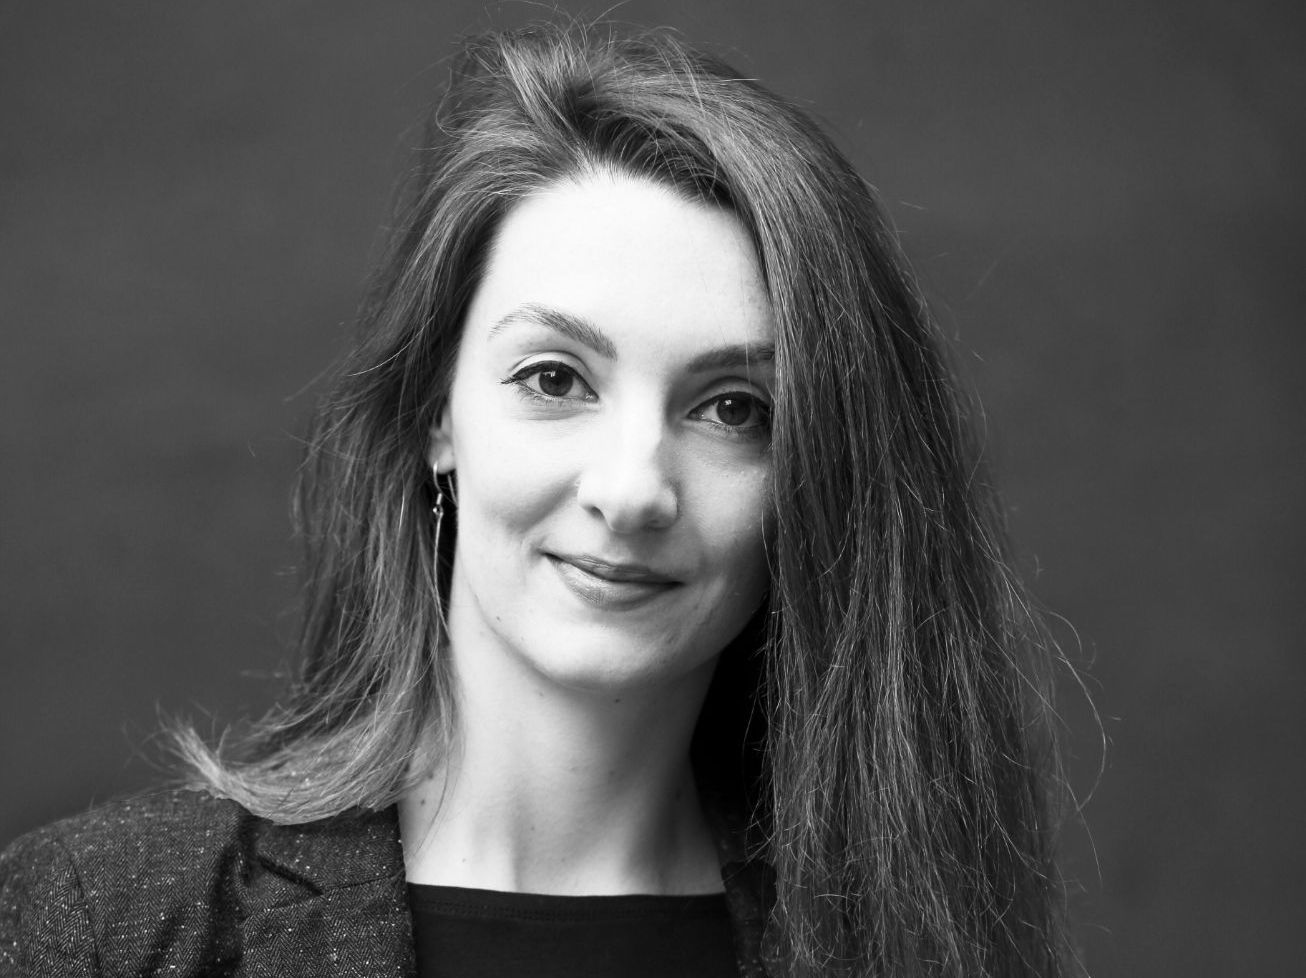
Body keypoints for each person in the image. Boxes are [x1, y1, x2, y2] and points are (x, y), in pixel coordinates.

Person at [0, 22, 1074, 978]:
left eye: (734, 409)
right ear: (437, 413)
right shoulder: (104, 926)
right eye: (555, 379)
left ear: (819, 473)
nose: (632, 490)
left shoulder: (910, 940)